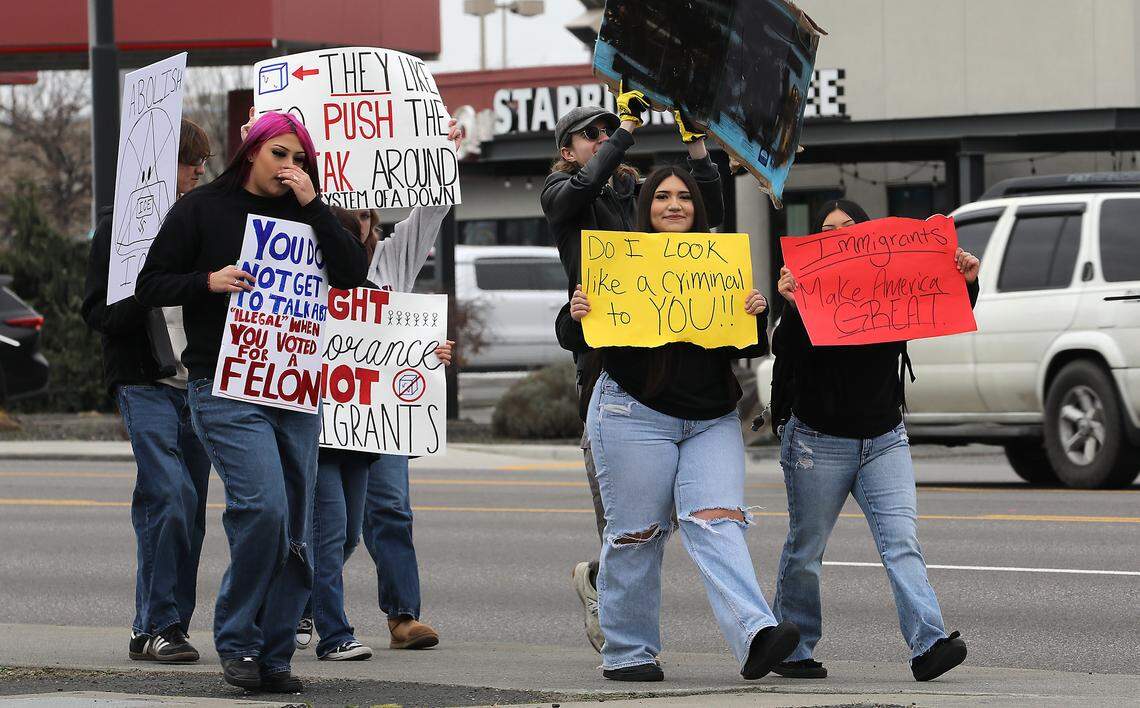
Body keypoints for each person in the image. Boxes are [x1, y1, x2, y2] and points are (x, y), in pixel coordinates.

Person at [135, 111, 369, 693]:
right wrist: (206, 283)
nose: (289, 167)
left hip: (293, 385)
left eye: (299, 158)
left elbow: (353, 274)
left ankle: (273, 652)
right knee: (262, 508)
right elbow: (151, 282)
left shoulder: (308, 212)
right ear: (252, 152)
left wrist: (315, 206)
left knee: (296, 524)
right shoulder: (201, 209)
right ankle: (237, 640)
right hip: (223, 383)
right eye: (279, 155)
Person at [562, 165, 800, 682]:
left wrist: (754, 311)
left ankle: (757, 633)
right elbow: (572, 335)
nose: (675, 205)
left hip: (711, 417)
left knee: (719, 522)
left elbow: (743, 345)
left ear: (697, 207)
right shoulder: (617, 260)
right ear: (646, 205)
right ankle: (628, 652)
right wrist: (576, 310)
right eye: (663, 196)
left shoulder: (720, 262)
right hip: (632, 414)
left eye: (685, 197)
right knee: (636, 535)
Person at [541, 89, 724, 653]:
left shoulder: (637, 193)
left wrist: (695, 142)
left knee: (662, 511)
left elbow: (704, 207)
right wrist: (622, 129)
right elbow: (583, 188)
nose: (604, 139)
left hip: (661, 359)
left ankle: (603, 577)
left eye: (608, 131)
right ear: (568, 152)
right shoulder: (563, 194)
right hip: (603, 361)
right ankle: (622, 627)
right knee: (624, 512)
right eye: (591, 134)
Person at [769, 199, 979, 682]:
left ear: (869, 235)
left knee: (902, 542)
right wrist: (794, 305)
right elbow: (787, 350)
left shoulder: (890, 282)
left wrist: (967, 283)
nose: (839, 234)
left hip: (884, 437)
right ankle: (793, 649)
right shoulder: (804, 288)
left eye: (850, 227)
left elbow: (938, 306)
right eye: (828, 229)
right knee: (806, 547)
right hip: (818, 441)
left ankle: (929, 645)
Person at [296, 119, 460, 660]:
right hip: (318, 412)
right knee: (334, 532)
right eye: (345, 212)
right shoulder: (299, 261)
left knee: (391, 510)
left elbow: (432, 209)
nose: (357, 223)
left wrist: (424, 352)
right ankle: (301, 603)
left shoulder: (392, 259)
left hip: (381, 414)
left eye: (365, 214)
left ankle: (402, 615)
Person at [81, 118, 214, 664]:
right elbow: (96, 313)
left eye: (203, 162)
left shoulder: (203, 223)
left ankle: (159, 626)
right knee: (170, 496)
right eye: (190, 162)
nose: (199, 170)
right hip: (144, 380)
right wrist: (146, 287)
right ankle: (160, 623)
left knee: (187, 506)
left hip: (198, 384)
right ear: (163, 166)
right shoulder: (119, 230)